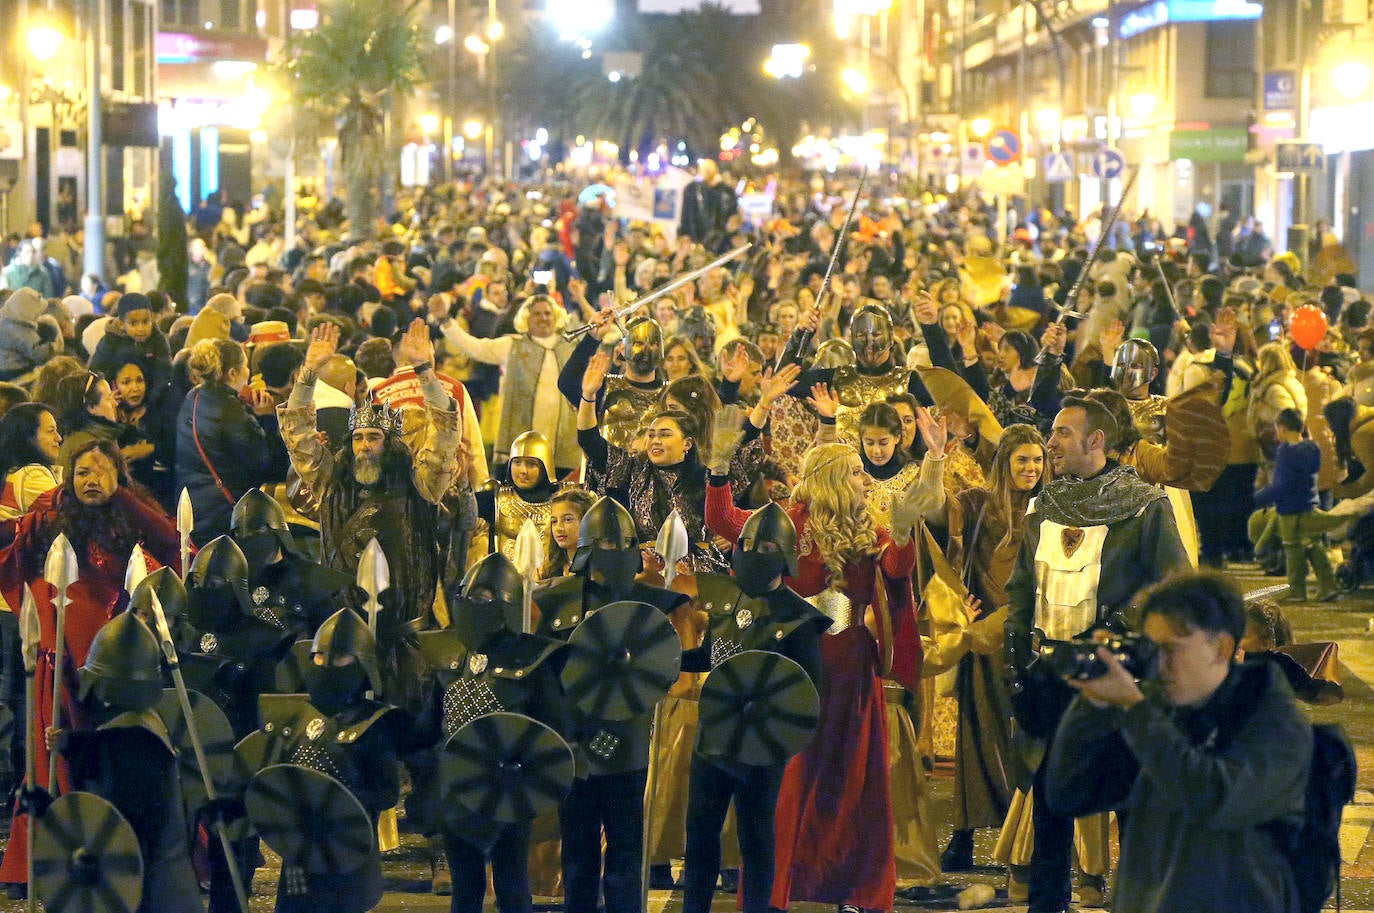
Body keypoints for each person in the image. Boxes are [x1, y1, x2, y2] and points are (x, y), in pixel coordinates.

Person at [706, 443, 918, 913]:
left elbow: (897, 571)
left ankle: (854, 889)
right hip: (790, 660)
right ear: (834, 477)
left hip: (849, 666)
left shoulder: (869, 528)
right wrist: (719, 471)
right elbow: (725, 523)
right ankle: (774, 891)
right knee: (786, 777)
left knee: (851, 777)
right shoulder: (784, 518)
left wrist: (904, 531)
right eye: (858, 472)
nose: (866, 481)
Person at [1004, 396, 1190, 913]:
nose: (1051, 442)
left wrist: (1125, 629)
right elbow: (1022, 588)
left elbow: (1174, 590)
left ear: (1097, 441)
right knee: (1049, 801)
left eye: (1063, 433)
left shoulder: (1146, 506)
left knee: (1129, 802)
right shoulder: (1043, 506)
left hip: (1117, 678)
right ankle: (1047, 904)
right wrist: (1016, 656)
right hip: (1050, 675)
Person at [1045, 571, 1312, 913]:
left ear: (1222, 648)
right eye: (1150, 650)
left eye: (1172, 649)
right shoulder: (1159, 711)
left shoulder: (1277, 725)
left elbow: (1211, 798)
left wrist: (1136, 710)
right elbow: (1068, 793)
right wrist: (1091, 703)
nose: (1159, 665)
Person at [0, 437, 182, 891]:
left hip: (113, 667)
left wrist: (121, 493)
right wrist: (27, 528)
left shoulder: (130, 514)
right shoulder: (51, 517)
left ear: (119, 475)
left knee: (108, 760)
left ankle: (118, 852)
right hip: (57, 665)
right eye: (82, 471)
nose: (90, 480)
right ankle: (37, 864)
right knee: (49, 759)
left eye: (101, 470)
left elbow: (170, 540)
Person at [279, 320, 464, 711]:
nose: (364, 446)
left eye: (374, 438)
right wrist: (308, 375)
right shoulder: (330, 480)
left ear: (389, 443)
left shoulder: (419, 484)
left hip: (407, 641)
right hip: (345, 639)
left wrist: (426, 373)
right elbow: (296, 432)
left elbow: (446, 436)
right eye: (359, 438)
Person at [531, 496, 690, 913]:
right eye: (602, 544)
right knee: (579, 854)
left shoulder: (652, 603)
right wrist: (564, 729)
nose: (611, 555)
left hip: (629, 740)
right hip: (575, 740)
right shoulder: (559, 601)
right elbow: (546, 673)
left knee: (625, 852)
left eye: (619, 545)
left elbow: (666, 669)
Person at [677, 501, 830, 913]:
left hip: (762, 745)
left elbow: (808, 692)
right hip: (714, 734)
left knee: (757, 838)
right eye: (746, 544)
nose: (751, 554)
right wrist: (663, 661)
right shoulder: (727, 601)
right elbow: (712, 656)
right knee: (701, 837)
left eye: (763, 547)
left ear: (782, 555)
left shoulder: (799, 620)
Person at [913, 423, 1047, 872]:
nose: (1031, 468)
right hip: (983, 637)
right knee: (977, 734)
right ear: (1004, 462)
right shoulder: (976, 503)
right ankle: (965, 835)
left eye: (1037, 459)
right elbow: (932, 518)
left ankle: (1029, 838)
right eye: (1022, 459)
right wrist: (934, 458)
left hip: (1030, 636)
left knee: (1029, 739)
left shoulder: (1052, 508)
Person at [419, 553, 569, 913]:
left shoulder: (531, 661)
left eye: (484, 599)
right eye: (468, 598)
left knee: (511, 883)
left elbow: (555, 728)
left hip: (509, 790)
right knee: (465, 887)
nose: (473, 606)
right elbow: (428, 726)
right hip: (457, 783)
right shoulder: (449, 655)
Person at [49, 611, 203, 911]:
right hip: (165, 884)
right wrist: (70, 743)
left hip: (150, 892)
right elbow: (108, 753)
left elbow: (118, 826)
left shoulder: (132, 739)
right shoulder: (144, 723)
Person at [254, 608, 404, 913]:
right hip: (300, 852)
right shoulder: (295, 715)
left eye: (339, 658)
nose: (326, 665)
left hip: (346, 855)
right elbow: (275, 776)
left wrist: (334, 802)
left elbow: (387, 792)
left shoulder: (373, 723)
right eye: (319, 656)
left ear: (360, 663)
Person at [441, 294, 581, 475]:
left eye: (548, 313)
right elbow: (475, 347)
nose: (543, 318)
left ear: (556, 317)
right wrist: (446, 322)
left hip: (563, 446)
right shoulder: (512, 345)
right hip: (521, 443)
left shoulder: (571, 346)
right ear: (526, 319)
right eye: (537, 314)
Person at [176, 339, 290, 544]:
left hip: (196, 508)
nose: (249, 372)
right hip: (223, 515)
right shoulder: (231, 413)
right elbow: (268, 466)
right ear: (232, 374)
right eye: (245, 366)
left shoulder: (194, 396)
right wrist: (267, 418)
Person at [1252, 408, 1337, 601]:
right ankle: (1329, 585)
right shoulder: (1312, 448)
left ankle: (1297, 590)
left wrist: (1262, 496)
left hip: (1289, 509)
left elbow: (1282, 484)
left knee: (1293, 549)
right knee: (1313, 546)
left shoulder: (1286, 452)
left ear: (1282, 429)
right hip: (1309, 504)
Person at [558, 314, 666, 451]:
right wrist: (592, 338)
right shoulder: (605, 388)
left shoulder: (672, 394)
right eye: (638, 343)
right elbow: (567, 383)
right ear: (622, 348)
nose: (646, 351)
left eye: (654, 344)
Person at [0, 403, 63, 526]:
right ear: (28, 438)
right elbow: (71, 513)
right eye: (51, 431)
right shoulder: (30, 476)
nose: (59, 438)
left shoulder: (13, 472)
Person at [539, 488, 596, 579]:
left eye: (568, 520)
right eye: (554, 521)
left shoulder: (598, 570)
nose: (558, 528)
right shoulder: (549, 569)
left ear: (587, 521)